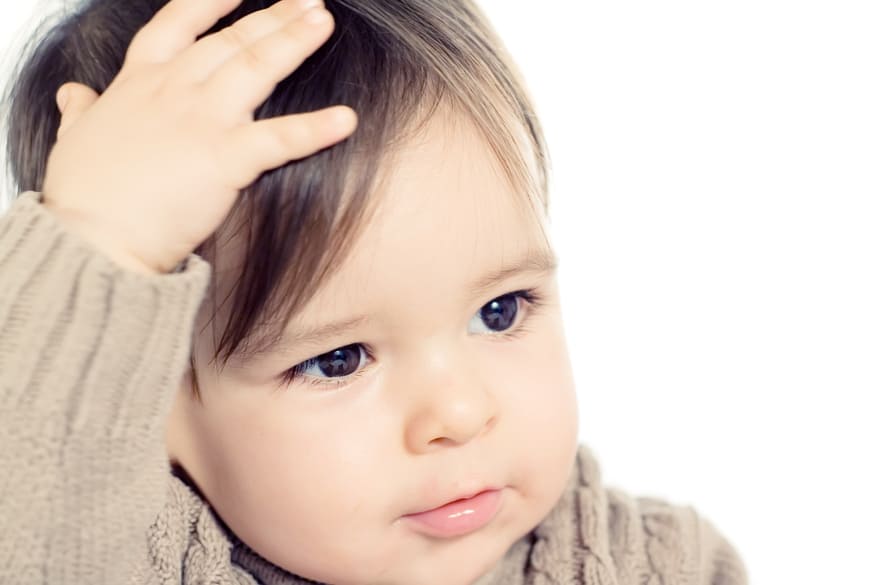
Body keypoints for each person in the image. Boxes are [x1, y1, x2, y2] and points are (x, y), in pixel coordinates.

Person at [0, 0, 747, 583]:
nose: (459, 412)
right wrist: (103, 240)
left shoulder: (663, 567)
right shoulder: (125, 563)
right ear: (150, 396)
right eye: (339, 359)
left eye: (500, 310)